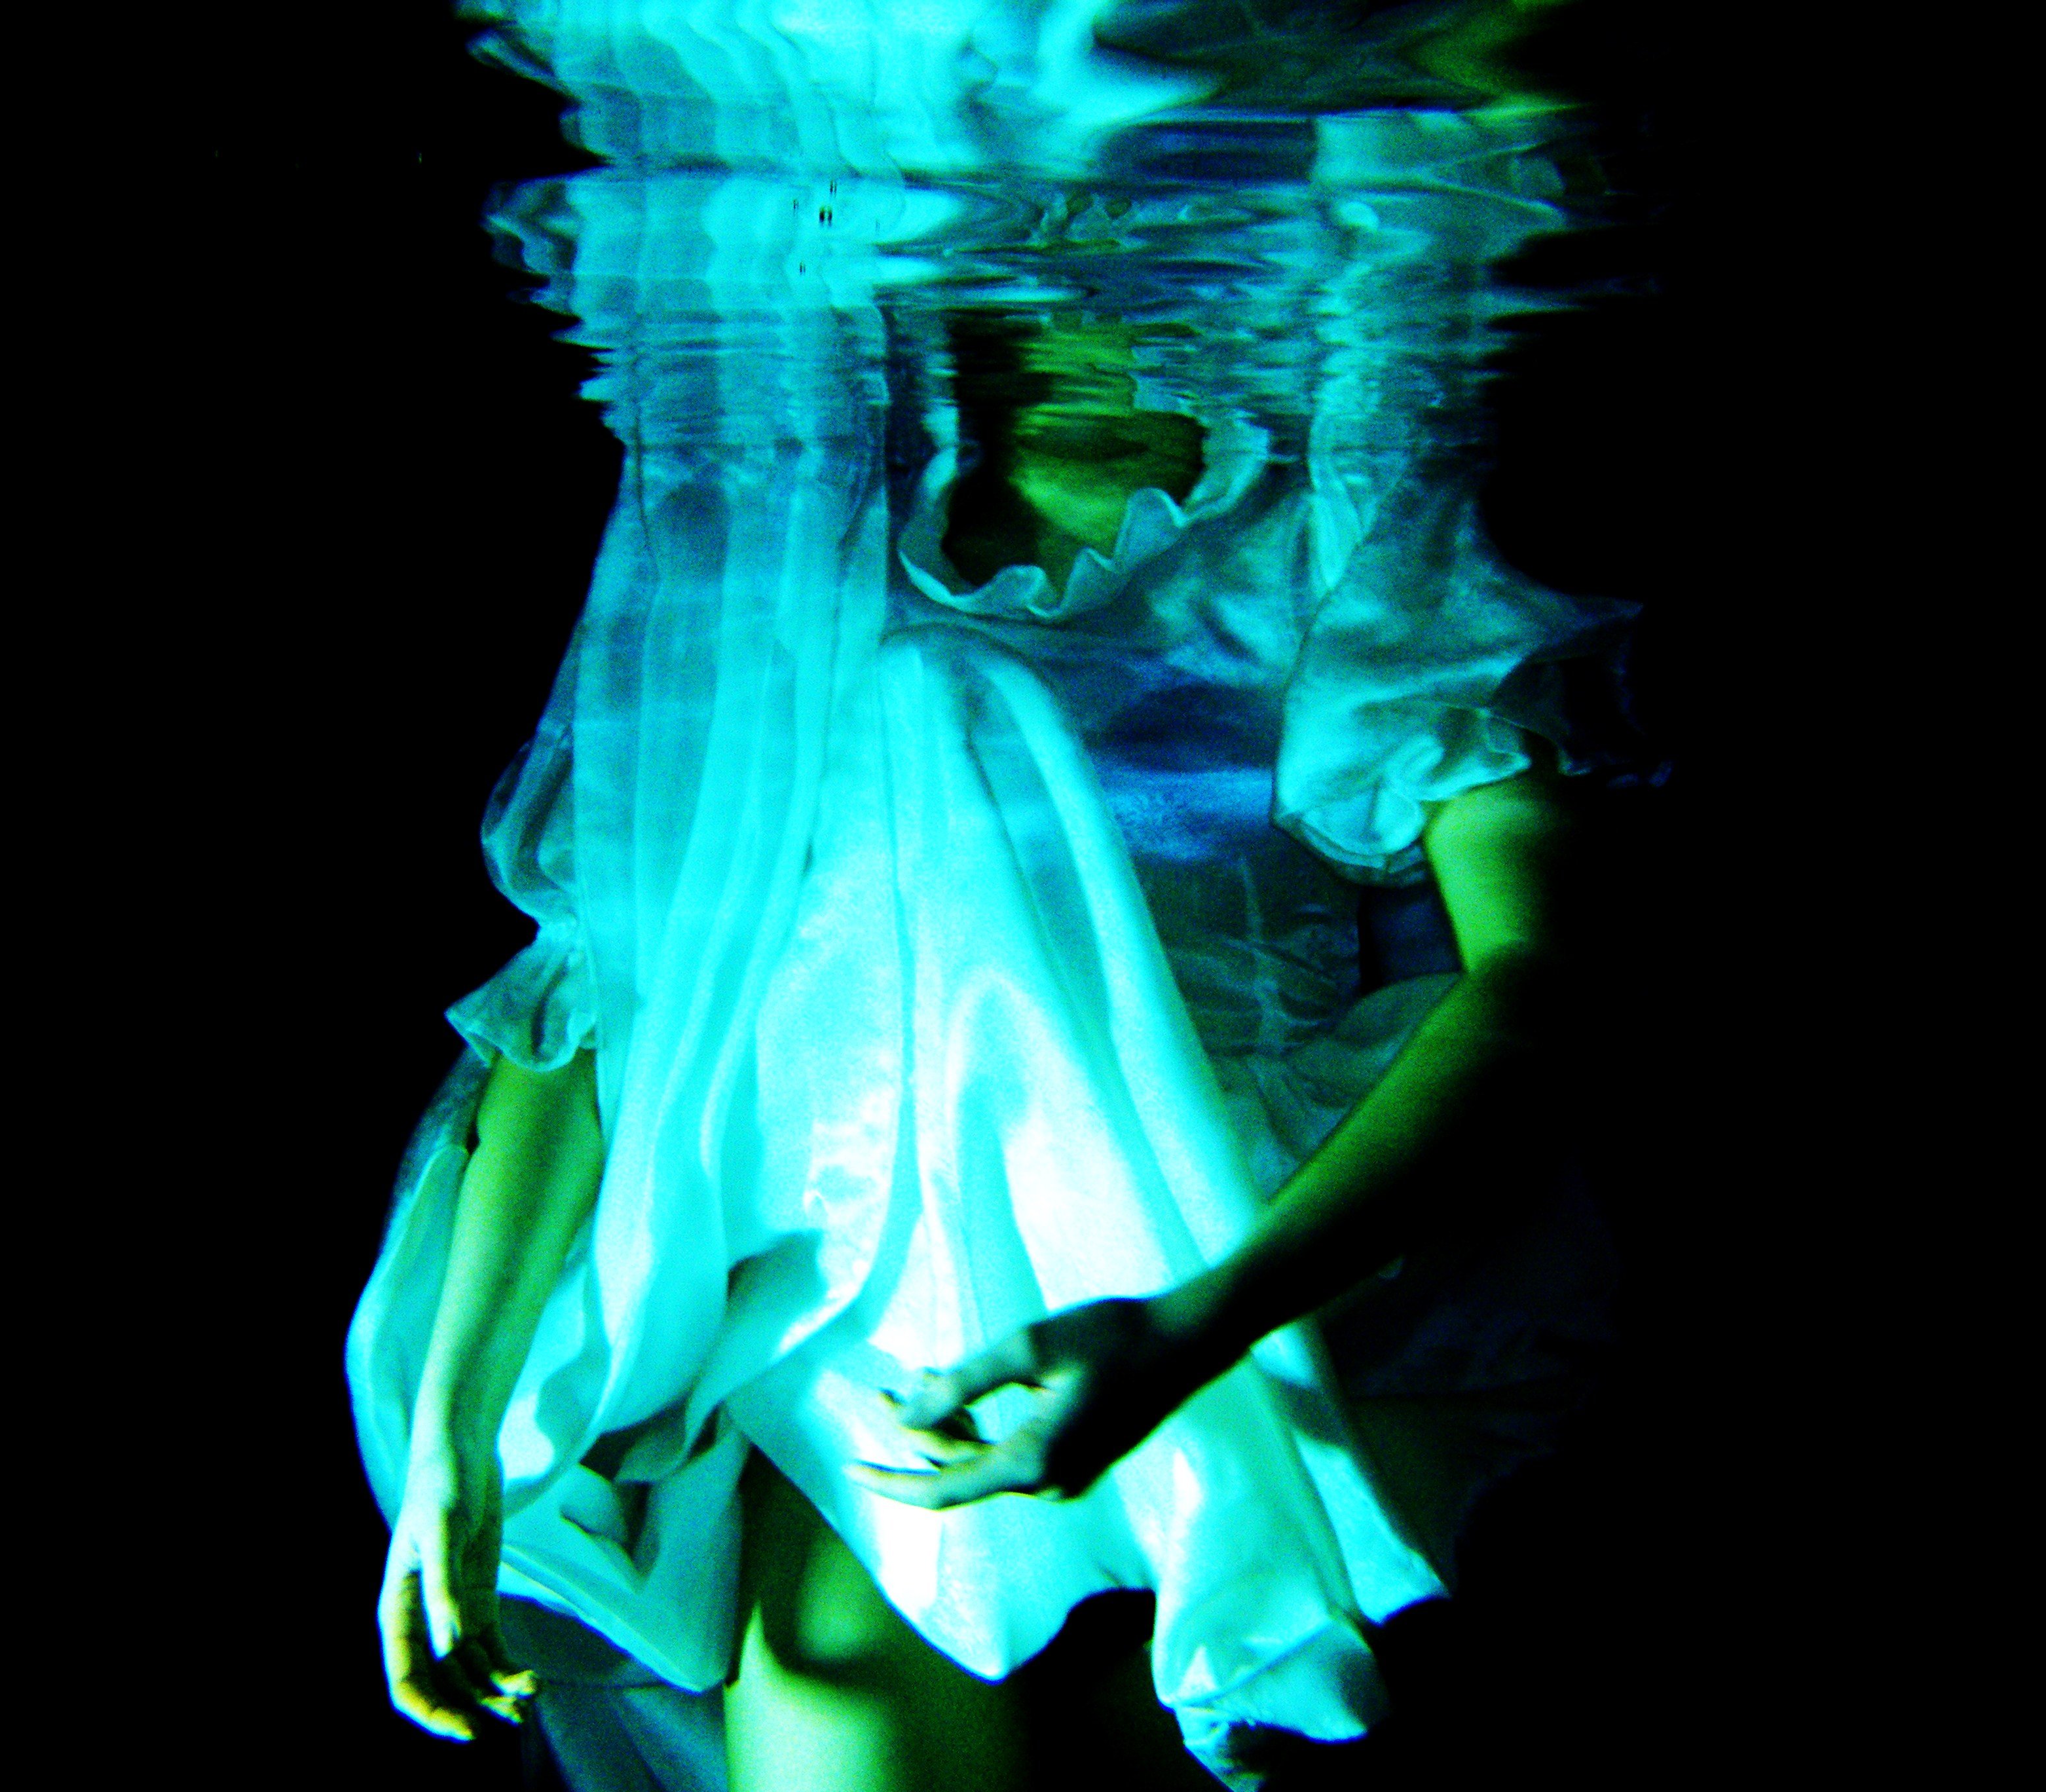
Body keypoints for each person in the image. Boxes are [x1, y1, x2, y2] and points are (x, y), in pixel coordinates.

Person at [348, 7, 1647, 1788]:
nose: (1070, 221)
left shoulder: (1351, 475)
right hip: (844, 1334)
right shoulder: (774, 486)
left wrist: (1191, 1330)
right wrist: (455, 1440)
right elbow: (598, 991)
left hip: (1260, 1290)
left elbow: (1534, 983)